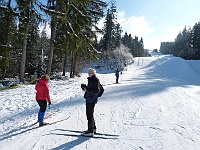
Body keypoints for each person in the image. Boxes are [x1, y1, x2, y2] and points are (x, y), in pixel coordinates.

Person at [81, 68, 99, 136]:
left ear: (93, 73)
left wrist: (87, 90)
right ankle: (93, 128)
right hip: (89, 99)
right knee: (90, 114)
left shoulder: (94, 80)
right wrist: (85, 87)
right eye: (88, 72)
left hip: (91, 99)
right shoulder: (91, 79)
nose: (89, 73)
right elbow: (91, 89)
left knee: (89, 114)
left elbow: (96, 91)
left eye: (90, 72)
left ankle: (90, 130)